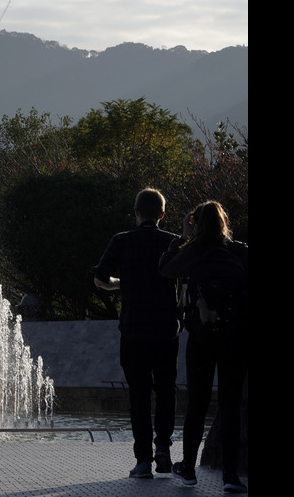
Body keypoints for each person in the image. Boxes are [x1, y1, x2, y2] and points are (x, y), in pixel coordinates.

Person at [160, 201, 248, 493]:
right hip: (235, 338)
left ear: (196, 223)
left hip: (201, 338)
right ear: (224, 222)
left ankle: (188, 469)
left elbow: (165, 269)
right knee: (230, 406)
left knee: (196, 404)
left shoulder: (193, 252)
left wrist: (183, 237)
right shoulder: (239, 252)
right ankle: (231, 477)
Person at [93, 188, 180, 479]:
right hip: (166, 331)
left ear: (136, 212)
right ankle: (164, 449)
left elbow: (100, 279)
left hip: (133, 331)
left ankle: (143, 460)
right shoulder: (174, 243)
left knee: (139, 396)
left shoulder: (121, 241)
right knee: (166, 391)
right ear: (162, 214)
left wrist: (122, 284)